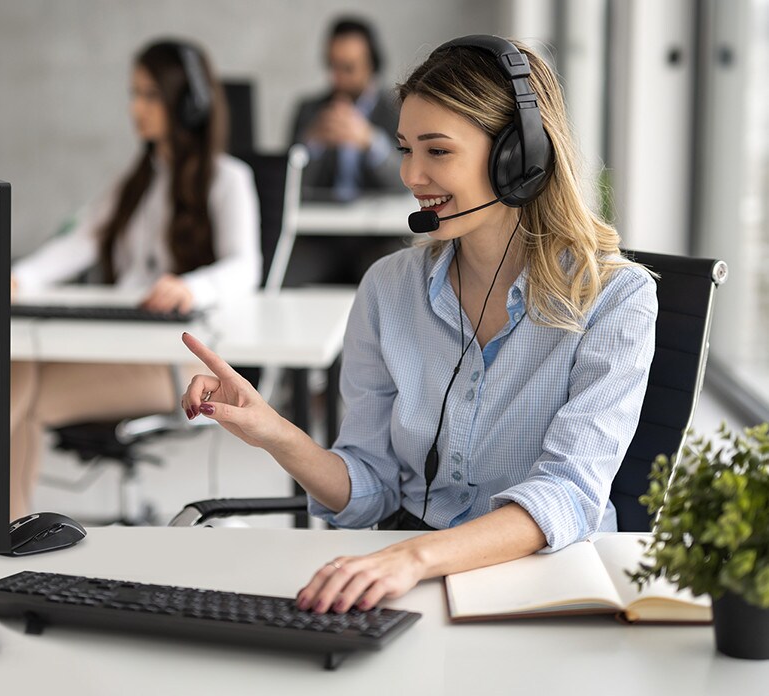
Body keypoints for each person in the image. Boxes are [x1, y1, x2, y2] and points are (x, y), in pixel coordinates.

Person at [181, 35, 657, 614]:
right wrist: (274, 431)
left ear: (519, 158)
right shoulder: (388, 288)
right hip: (411, 576)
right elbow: (369, 486)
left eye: (437, 151)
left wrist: (414, 557)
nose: (411, 174)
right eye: (405, 148)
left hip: (541, 585)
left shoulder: (614, 297)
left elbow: (568, 493)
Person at [9, 39, 261, 520]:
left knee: (15, 393)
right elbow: (81, 241)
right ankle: (5, 527)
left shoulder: (229, 179)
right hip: (117, 347)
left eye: (150, 95)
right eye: (134, 93)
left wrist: (193, 287)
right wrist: (19, 278)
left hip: (173, 364)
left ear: (186, 104)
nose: (136, 108)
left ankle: (1, 528)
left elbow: (246, 267)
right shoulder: (137, 181)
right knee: (15, 369)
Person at [289, 16, 402, 201]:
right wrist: (312, 143)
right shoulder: (309, 110)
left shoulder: (397, 108)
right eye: (332, 66)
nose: (337, 78)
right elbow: (291, 185)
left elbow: (407, 183)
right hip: (319, 223)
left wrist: (371, 141)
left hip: (381, 226)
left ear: (372, 66)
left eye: (348, 68)